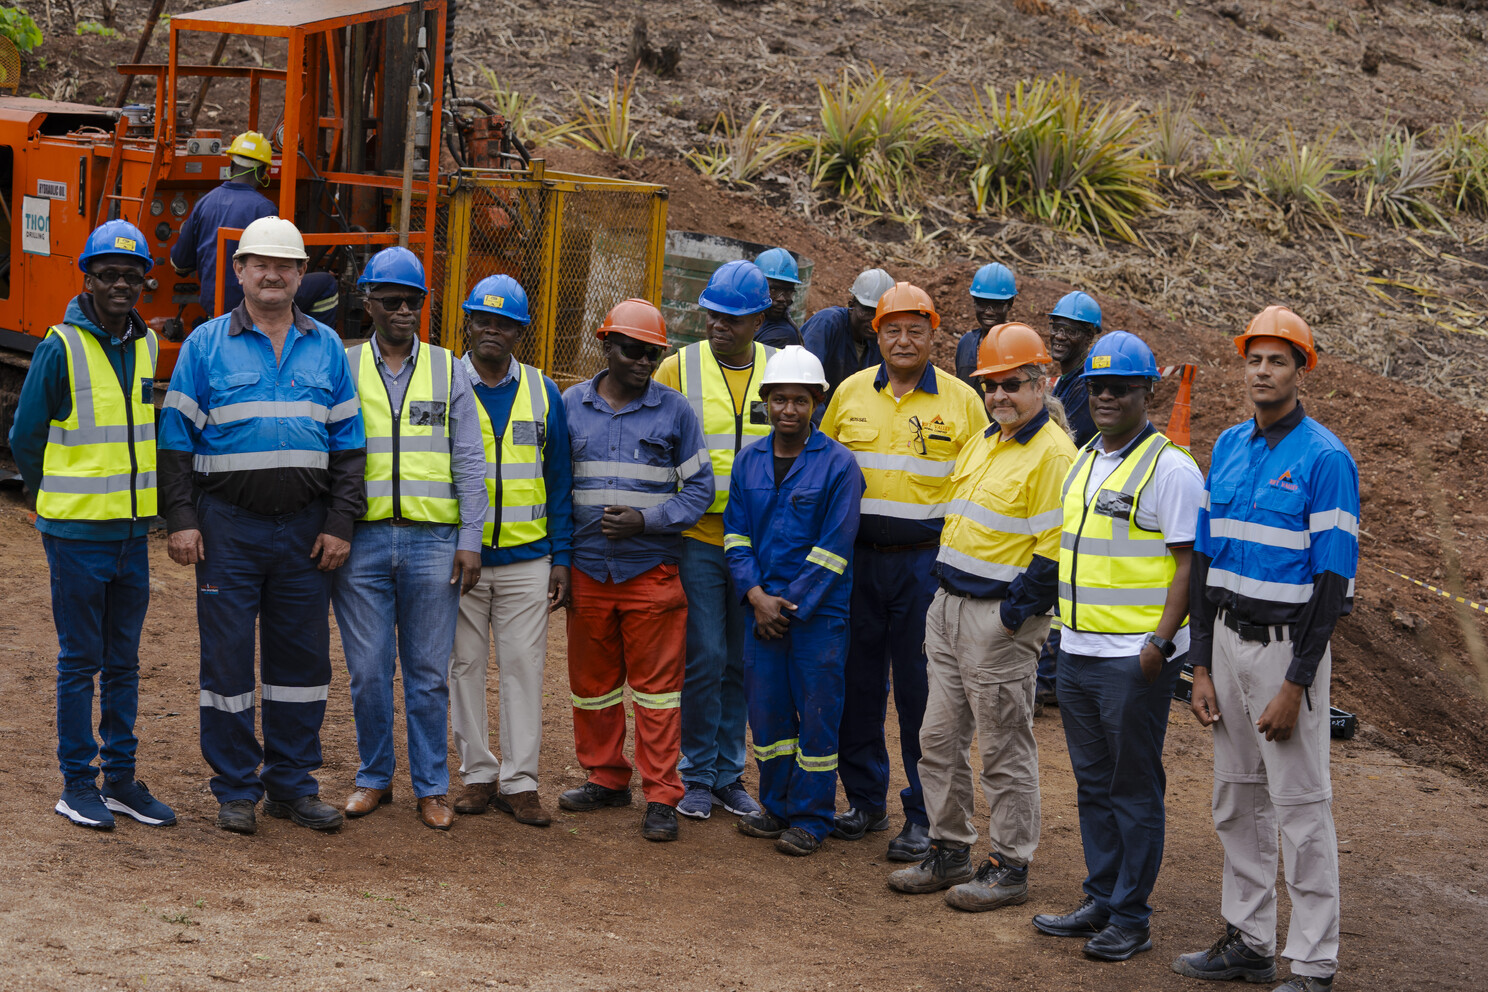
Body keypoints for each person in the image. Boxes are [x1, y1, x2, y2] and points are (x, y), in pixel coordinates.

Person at [158, 216, 366, 836]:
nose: (272, 274)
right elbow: (174, 442)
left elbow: (349, 448)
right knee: (225, 666)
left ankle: (292, 786)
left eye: (285, 265)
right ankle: (236, 789)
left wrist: (339, 522)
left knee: (301, 666)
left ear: (301, 274)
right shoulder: (205, 344)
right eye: (259, 264)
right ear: (240, 271)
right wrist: (183, 519)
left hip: (306, 533)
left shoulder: (327, 346)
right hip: (228, 530)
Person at [1173, 307, 1358, 992]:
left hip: (1286, 654)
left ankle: (1312, 963)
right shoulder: (1227, 447)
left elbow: (1333, 584)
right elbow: (1203, 559)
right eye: (1254, 358)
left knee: (1302, 809)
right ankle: (1248, 940)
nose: (1261, 370)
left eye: (1277, 360)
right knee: (1236, 799)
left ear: (1300, 369)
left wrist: (1296, 683)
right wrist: (1197, 663)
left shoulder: (1326, 458)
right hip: (1224, 643)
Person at [887, 323, 1075, 909]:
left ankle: (1011, 865)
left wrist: (1014, 616)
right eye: (990, 386)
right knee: (937, 738)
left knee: (1003, 748)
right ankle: (949, 850)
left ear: (1041, 383)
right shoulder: (986, 440)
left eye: (1012, 384)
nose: (999, 396)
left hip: (997, 620)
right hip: (948, 609)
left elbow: (1053, 550)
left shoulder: (1053, 455)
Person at [1033, 331, 1204, 962]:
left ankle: (1131, 917)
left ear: (1146, 392)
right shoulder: (1084, 457)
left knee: (1133, 787)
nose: (1106, 396)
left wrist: (1160, 644)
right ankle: (1101, 898)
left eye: (1120, 387)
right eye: (1096, 387)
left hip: (1134, 659)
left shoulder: (1171, 469)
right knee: (1093, 783)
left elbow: (1189, 566)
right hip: (1077, 651)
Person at [7, 220, 176, 831]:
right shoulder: (61, 347)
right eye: (109, 274)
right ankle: (77, 784)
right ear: (89, 279)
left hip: (132, 536)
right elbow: (25, 438)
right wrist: (48, 497)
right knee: (81, 661)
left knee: (125, 662)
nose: (122, 284)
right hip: (77, 535)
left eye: (133, 275)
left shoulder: (147, 345)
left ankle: (121, 781)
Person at [820, 281, 988, 862]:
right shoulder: (847, 394)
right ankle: (866, 802)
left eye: (915, 328)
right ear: (877, 332)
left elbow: (976, 484)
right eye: (892, 328)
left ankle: (923, 813)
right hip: (857, 563)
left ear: (932, 333)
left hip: (925, 567)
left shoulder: (964, 402)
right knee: (857, 684)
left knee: (924, 693)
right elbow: (824, 470)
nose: (903, 339)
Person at [330, 248, 487, 831]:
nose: (403, 309)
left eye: (413, 300)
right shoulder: (344, 366)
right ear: (367, 302)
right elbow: (330, 453)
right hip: (363, 543)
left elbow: (470, 461)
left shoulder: (450, 370)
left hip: (432, 544)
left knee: (426, 673)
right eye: (391, 299)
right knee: (369, 670)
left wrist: (469, 538)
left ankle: (432, 787)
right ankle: (374, 778)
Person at [560, 299, 714, 842]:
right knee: (592, 686)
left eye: (653, 353)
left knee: (657, 693)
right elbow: (556, 488)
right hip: (588, 572)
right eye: (633, 350)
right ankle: (604, 777)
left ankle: (662, 796)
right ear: (606, 346)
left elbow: (700, 489)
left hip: (650, 572)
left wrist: (647, 521)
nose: (644, 361)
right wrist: (562, 560)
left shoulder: (675, 412)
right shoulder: (570, 405)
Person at [724, 346, 864, 856]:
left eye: (799, 400)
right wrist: (757, 596)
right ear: (765, 401)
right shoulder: (749, 461)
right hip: (760, 612)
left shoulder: (839, 466)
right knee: (767, 716)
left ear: (817, 403)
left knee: (818, 716)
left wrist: (785, 605)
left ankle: (811, 818)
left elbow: (835, 546)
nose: (788, 409)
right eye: (779, 399)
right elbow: (736, 535)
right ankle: (776, 807)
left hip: (817, 617)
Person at [448, 274, 573, 829]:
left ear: (520, 331)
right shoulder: (446, 382)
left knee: (524, 669)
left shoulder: (545, 393)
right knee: (465, 666)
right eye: (483, 320)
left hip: (528, 559)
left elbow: (561, 480)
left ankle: (520, 783)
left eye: (504, 323)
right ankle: (478, 774)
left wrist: (562, 557)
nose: (491, 331)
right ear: (468, 323)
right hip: (462, 560)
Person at [654, 260, 772, 821]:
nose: (719, 324)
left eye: (733, 316)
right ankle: (695, 772)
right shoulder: (679, 368)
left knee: (741, 661)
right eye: (712, 313)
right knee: (705, 656)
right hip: (700, 538)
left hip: (757, 543)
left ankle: (729, 773)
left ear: (760, 319)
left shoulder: (779, 369)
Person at [1036, 290, 1104, 708]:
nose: (1060, 336)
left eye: (1072, 331)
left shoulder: (1085, 386)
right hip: (1071, 489)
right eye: (1057, 327)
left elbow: (1067, 440)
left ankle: (1047, 681)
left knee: (1061, 588)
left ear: (1090, 337)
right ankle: (1051, 680)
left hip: (1078, 495)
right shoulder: (1068, 379)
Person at [171, 131, 278, 317]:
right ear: (262, 172)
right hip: (252, 315)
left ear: (231, 165)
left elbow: (180, 264)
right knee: (325, 286)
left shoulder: (205, 202)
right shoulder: (265, 210)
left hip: (213, 314)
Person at [801, 267, 895, 408]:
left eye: (880, 314)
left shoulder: (880, 341)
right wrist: (822, 427)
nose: (873, 320)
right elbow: (804, 380)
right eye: (868, 311)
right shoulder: (827, 324)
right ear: (852, 305)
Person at [953, 263, 1017, 393]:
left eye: (996, 305)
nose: (988, 311)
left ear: (1010, 304)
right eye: (982, 303)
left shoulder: (1018, 346)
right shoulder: (966, 343)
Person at [753, 247, 804, 348]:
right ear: (756, 286)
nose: (782, 299)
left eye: (788, 292)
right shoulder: (746, 317)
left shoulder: (781, 336)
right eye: (773, 290)